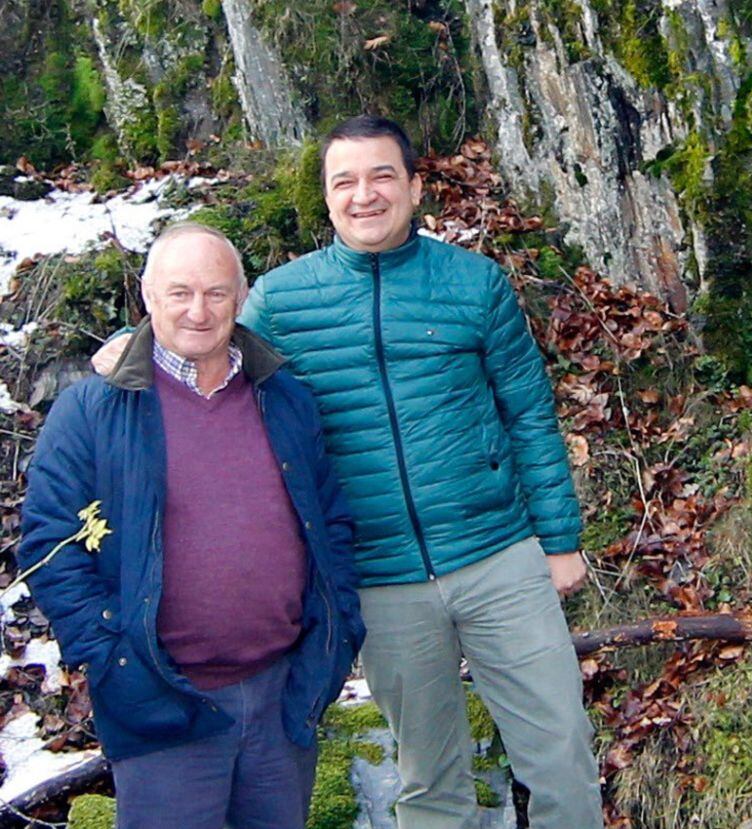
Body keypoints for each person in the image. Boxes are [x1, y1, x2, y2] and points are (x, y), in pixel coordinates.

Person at [92, 116, 604, 829]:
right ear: (328, 200)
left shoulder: (474, 284)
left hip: (499, 555)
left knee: (562, 755)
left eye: (382, 176)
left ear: (415, 188)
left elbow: (527, 412)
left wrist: (558, 539)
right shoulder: (282, 301)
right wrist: (129, 345)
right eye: (345, 182)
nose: (365, 195)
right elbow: (202, 339)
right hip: (379, 579)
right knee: (429, 776)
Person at [21, 223, 364, 829]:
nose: (198, 311)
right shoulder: (91, 410)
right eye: (179, 293)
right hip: (161, 704)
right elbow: (52, 545)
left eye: (216, 293)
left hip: (281, 698)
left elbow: (331, 527)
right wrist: (114, 663)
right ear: (149, 299)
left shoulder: (282, 398)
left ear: (240, 296)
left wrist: (332, 649)